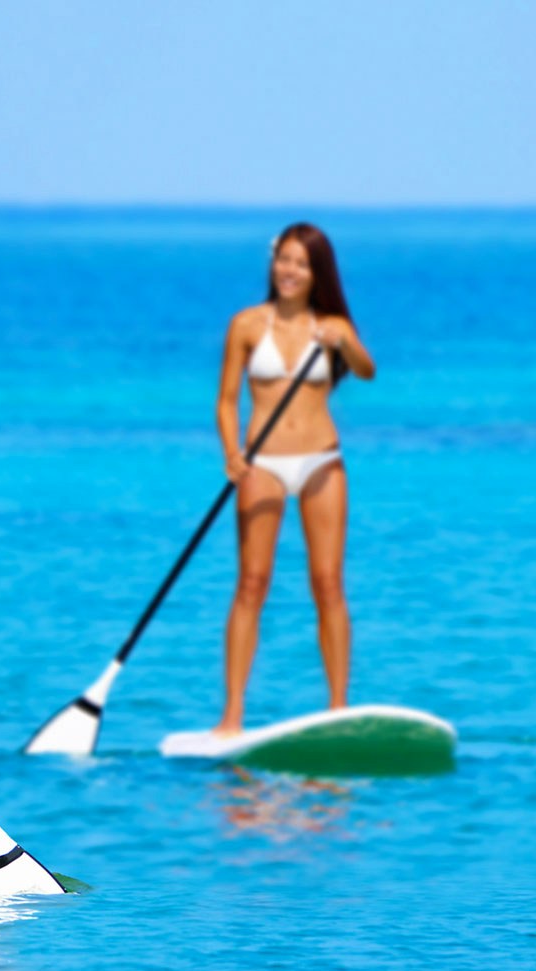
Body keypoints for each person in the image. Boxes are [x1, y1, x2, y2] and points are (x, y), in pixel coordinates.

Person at [211, 222, 376, 734]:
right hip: (261, 464)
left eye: (301, 264)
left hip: (322, 461)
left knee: (328, 584)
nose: (289, 270)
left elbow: (367, 370)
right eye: (283, 259)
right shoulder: (246, 324)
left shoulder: (332, 326)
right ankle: (232, 714)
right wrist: (231, 452)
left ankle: (338, 708)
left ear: (317, 273)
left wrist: (345, 342)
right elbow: (226, 400)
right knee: (251, 584)